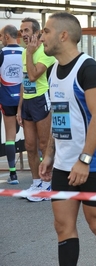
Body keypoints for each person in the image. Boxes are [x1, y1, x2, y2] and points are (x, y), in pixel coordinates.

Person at [39, 12, 96, 265]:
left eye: (46, 31)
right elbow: (58, 116)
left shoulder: (88, 69)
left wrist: (84, 160)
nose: (42, 37)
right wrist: (50, 155)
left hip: (92, 163)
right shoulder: (52, 71)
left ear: (63, 35)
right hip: (63, 164)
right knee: (62, 227)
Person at [18, 17, 55, 202]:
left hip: (42, 99)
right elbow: (24, 81)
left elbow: (33, 77)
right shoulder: (26, 52)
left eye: (27, 30)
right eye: (21, 31)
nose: (23, 34)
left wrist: (31, 53)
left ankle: (48, 183)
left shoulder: (44, 52)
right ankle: (35, 183)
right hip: (27, 102)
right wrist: (19, 108)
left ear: (37, 33)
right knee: (30, 146)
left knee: (44, 145)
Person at [0, 25, 24, 184]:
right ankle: (43, 169)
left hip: (7, 99)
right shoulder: (26, 52)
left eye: (1, 36)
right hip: (25, 98)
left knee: (10, 137)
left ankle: (13, 175)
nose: (1, 38)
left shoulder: (1, 53)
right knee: (32, 135)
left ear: (7, 36)